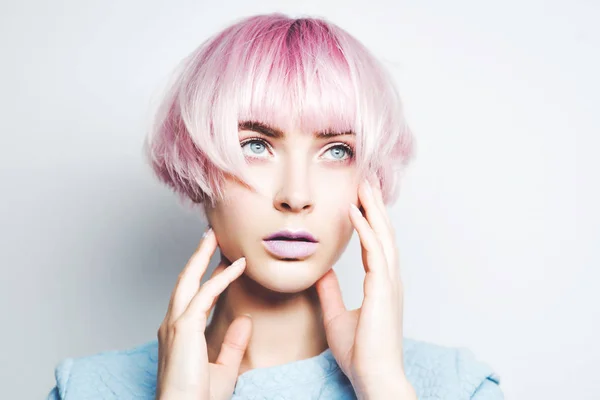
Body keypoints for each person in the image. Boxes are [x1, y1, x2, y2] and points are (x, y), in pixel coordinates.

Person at [46, 13, 503, 399]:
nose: (296, 196)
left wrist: (382, 384)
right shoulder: (85, 389)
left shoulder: (459, 387)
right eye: (257, 145)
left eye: (337, 151)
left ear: (371, 179)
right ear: (197, 163)